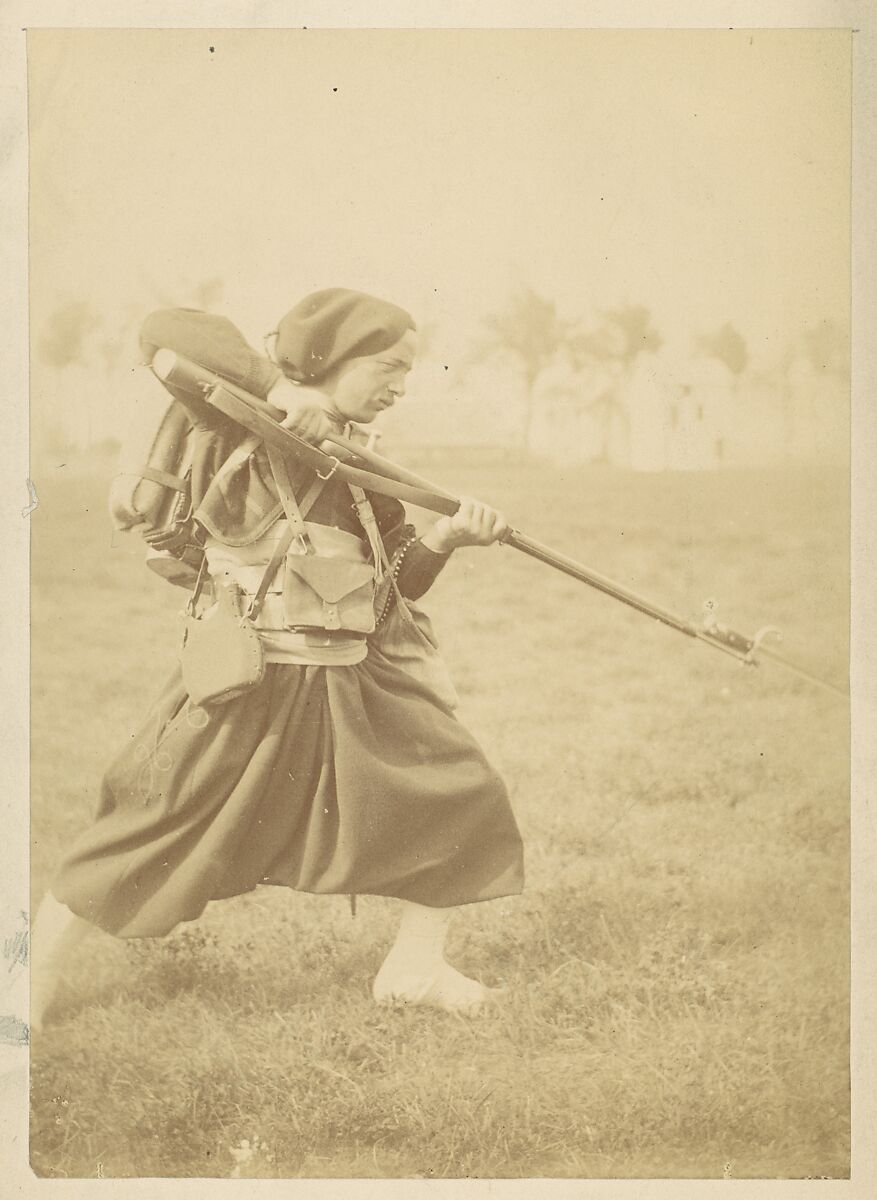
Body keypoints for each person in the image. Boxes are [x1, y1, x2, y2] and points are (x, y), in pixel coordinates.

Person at [31, 288, 524, 1029]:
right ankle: (25, 985)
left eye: (407, 372)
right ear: (329, 357)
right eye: (387, 365)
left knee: (460, 792)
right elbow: (166, 328)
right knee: (147, 825)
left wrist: (447, 539)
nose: (399, 385)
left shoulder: (366, 465)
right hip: (248, 679)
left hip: (354, 680)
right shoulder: (237, 419)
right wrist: (279, 390)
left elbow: (395, 587)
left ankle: (414, 970)